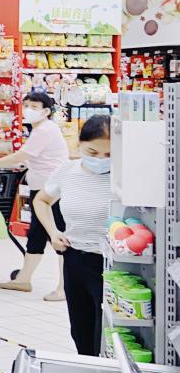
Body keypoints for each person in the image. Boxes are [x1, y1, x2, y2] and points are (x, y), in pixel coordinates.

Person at [32, 115, 113, 357]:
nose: (101, 160)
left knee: (106, 334)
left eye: (109, 155)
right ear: (80, 145)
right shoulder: (67, 170)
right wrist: (53, 233)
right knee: (81, 330)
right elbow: (41, 200)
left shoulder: (124, 177)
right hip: (75, 259)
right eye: (93, 152)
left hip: (113, 265)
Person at [0, 92, 72, 300]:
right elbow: (32, 158)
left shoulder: (45, 129)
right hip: (42, 188)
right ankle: (23, 279)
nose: (28, 110)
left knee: (59, 236)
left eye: (34, 107)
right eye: (27, 105)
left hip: (53, 191)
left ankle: (64, 288)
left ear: (46, 111)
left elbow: (22, 155)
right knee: (36, 234)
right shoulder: (39, 129)